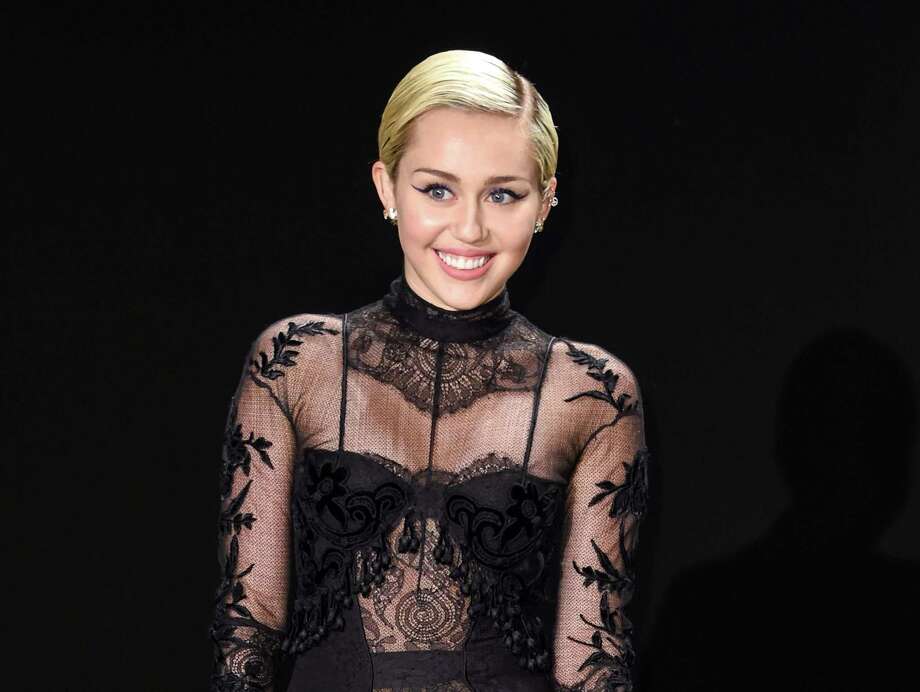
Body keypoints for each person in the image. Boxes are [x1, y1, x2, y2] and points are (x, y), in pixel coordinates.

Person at [208, 49, 651, 692]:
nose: (469, 228)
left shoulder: (593, 395)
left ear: (546, 202)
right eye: (437, 189)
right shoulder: (294, 363)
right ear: (387, 187)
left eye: (502, 194)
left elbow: (593, 660)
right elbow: (248, 630)